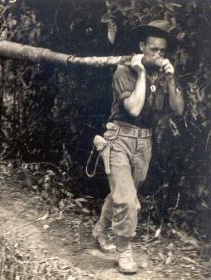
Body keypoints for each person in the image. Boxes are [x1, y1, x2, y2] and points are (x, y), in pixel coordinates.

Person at [93, 20, 184, 274]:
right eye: (153, 49)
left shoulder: (163, 75)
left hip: (145, 142)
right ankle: (124, 251)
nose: (158, 55)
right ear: (142, 47)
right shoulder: (124, 70)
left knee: (123, 193)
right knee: (127, 199)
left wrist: (171, 78)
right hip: (119, 138)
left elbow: (178, 109)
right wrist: (142, 74)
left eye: (163, 51)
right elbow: (133, 108)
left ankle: (100, 230)